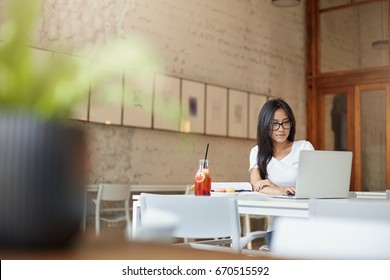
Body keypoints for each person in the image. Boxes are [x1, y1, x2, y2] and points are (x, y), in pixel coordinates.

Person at [249, 98, 314, 248]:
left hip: (308, 221)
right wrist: (280, 189)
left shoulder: (304, 147)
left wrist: (270, 186)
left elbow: (313, 185)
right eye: (275, 123)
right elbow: (256, 184)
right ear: (265, 124)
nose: (281, 128)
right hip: (279, 227)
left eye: (286, 122)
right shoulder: (257, 152)